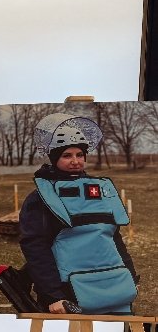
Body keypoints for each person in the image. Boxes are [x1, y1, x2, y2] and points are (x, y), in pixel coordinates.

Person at [19, 113, 137, 315]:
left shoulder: (100, 191)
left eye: (79, 155)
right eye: (67, 155)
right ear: (54, 158)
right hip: (68, 294)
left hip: (114, 286)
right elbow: (36, 249)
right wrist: (53, 296)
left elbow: (113, 237)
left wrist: (131, 277)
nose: (75, 161)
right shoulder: (41, 198)